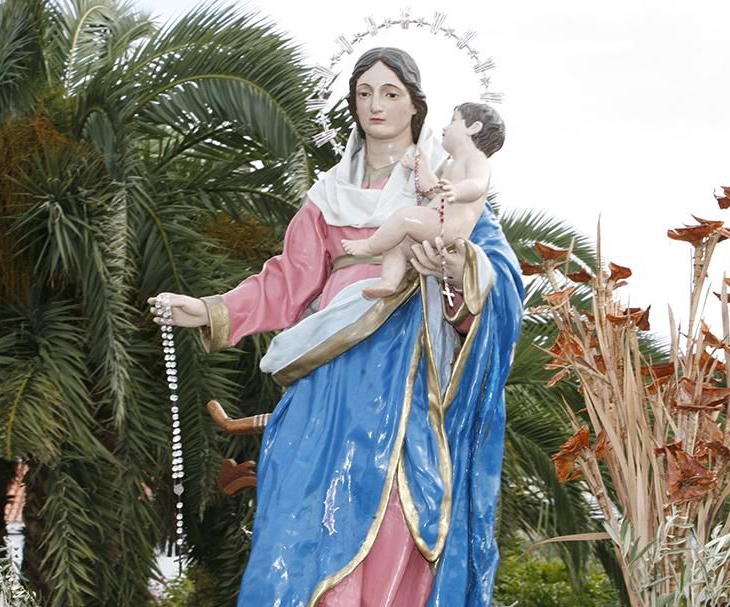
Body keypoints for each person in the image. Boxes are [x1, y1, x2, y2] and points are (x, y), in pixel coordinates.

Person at [149, 47, 523, 607]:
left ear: (416, 106)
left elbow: (494, 275)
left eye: (391, 93)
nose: (377, 105)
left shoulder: (441, 182)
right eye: (365, 92)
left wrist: (453, 266)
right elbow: (287, 279)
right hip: (328, 369)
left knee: (396, 507)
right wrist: (208, 308)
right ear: (351, 102)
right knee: (298, 501)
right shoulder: (327, 195)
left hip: (405, 374)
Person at [341, 102, 506, 299]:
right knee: (396, 243)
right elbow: (432, 191)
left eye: (453, 121)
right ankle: (389, 282)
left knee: (404, 217)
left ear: (474, 127)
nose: (445, 128)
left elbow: (477, 184)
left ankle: (369, 246)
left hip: (448, 227)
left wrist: (457, 190)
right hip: (436, 224)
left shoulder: (477, 159)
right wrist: (421, 167)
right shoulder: (454, 165)